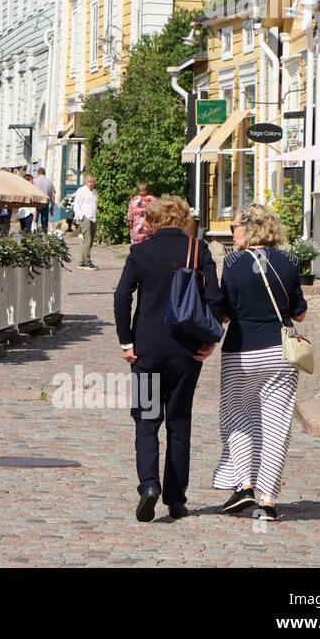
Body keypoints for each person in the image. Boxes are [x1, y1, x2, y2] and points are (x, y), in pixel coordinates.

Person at [114, 195, 222, 522]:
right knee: (179, 422)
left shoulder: (140, 252)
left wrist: (126, 341)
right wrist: (209, 340)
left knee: (147, 421)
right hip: (186, 352)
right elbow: (215, 298)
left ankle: (149, 484)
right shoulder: (198, 250)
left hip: (147, 351)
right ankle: (176, 498)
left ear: (154, 219)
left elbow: (121, 296)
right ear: (185, 217)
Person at [213, 204, 309, 521]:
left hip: (241, 351)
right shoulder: (288, 260)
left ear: (249, 227)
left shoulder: (233, 263)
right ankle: (267, 501)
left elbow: (225, 312)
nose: (233, 232)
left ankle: (246, 484)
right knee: (276, 426)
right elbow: (299, 313)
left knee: (237, 419)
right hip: (279, 353)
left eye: (235, 227)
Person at [73, 174, 99, 270]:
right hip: (85, 218)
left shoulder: (95, 192)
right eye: (89, 181)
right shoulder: (81, 190)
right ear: (85, 182)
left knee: (90, 241)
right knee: (87, 240)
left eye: (93, 182)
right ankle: (87, 262)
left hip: (93, 218)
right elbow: (76, 204)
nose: (91, 184)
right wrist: (81, 216)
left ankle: (82, 262)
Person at [34, 167, 55, 233]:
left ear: (38, 173)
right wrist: (52, 206)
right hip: (45, 203)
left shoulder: (34, 180)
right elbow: (52, 195)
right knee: (44, 221)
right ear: (44, 173)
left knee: (35, 220)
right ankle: (44, 236)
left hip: (36, 202)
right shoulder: (49, 182)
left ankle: (35, 234)